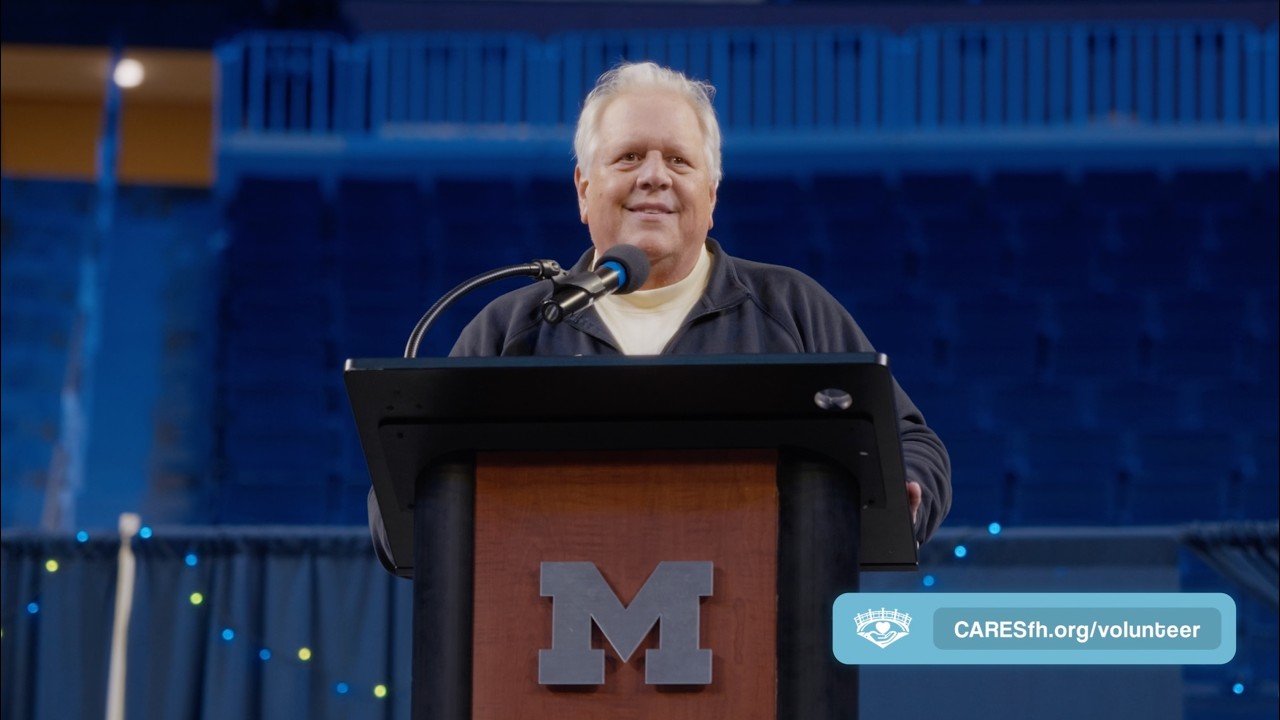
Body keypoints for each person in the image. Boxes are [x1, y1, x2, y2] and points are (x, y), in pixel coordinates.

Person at [368, 61, 950, 564]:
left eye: (678, 159)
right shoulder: (511, 328)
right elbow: (400, 505)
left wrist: (903, 489)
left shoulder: (791, 307)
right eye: (628, 157)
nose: (654, 176)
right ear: (583, 189)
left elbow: (911, 445)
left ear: (711, 195)